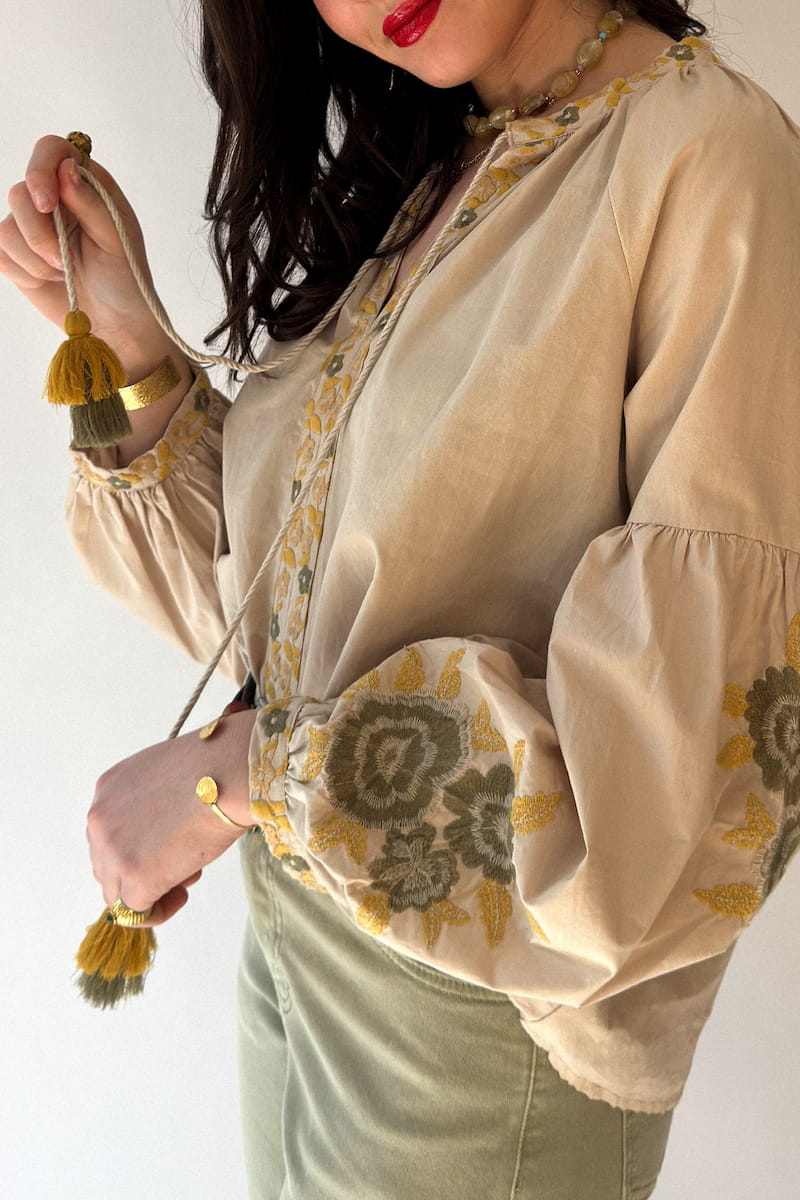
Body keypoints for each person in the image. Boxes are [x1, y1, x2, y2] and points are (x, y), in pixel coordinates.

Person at [2, 0, 799, 1195]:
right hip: (303, 925)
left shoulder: (706, 159)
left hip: (490, 1021)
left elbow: (677, 781)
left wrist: (246, 776)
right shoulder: (430, 164)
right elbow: (281, 622)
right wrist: (129, 352)